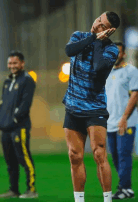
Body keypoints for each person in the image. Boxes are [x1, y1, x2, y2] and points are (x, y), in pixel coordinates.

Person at [63, 11, 120, 202]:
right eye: (98, 20)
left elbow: (97, 70)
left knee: (99, 153)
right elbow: (69, 51)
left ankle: (107, 199)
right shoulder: (79, 36)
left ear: (110, 31)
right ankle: (79, 200)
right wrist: (94, 37)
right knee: (74, 155)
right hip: (72, 106)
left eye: (102, 25)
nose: (96, 25)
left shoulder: (111, 50)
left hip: (95, 109)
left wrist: (97, 42)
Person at [0, 50, 38, 199]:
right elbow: (3, 104)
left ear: (22, 63)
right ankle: (13, 190)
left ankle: (31, 190)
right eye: (10, 63)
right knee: (10, 161)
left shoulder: (27, 80)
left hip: (19, 127)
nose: (12, 66)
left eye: (15, 63)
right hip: (6, 128)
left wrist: (14, 119)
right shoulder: (7, 81)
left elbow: (25, 105)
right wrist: (1, 120)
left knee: (24, 158)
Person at [106, 42, 138, 200]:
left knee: (124, 154)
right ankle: (126, 188)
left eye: (117, 52)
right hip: (110, 122)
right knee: (116, 157)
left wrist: (124, 117)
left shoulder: (131, 71)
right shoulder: (107, 72)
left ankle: (124, 187)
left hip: (126, 121)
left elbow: (135, 95)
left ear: (123, 54)